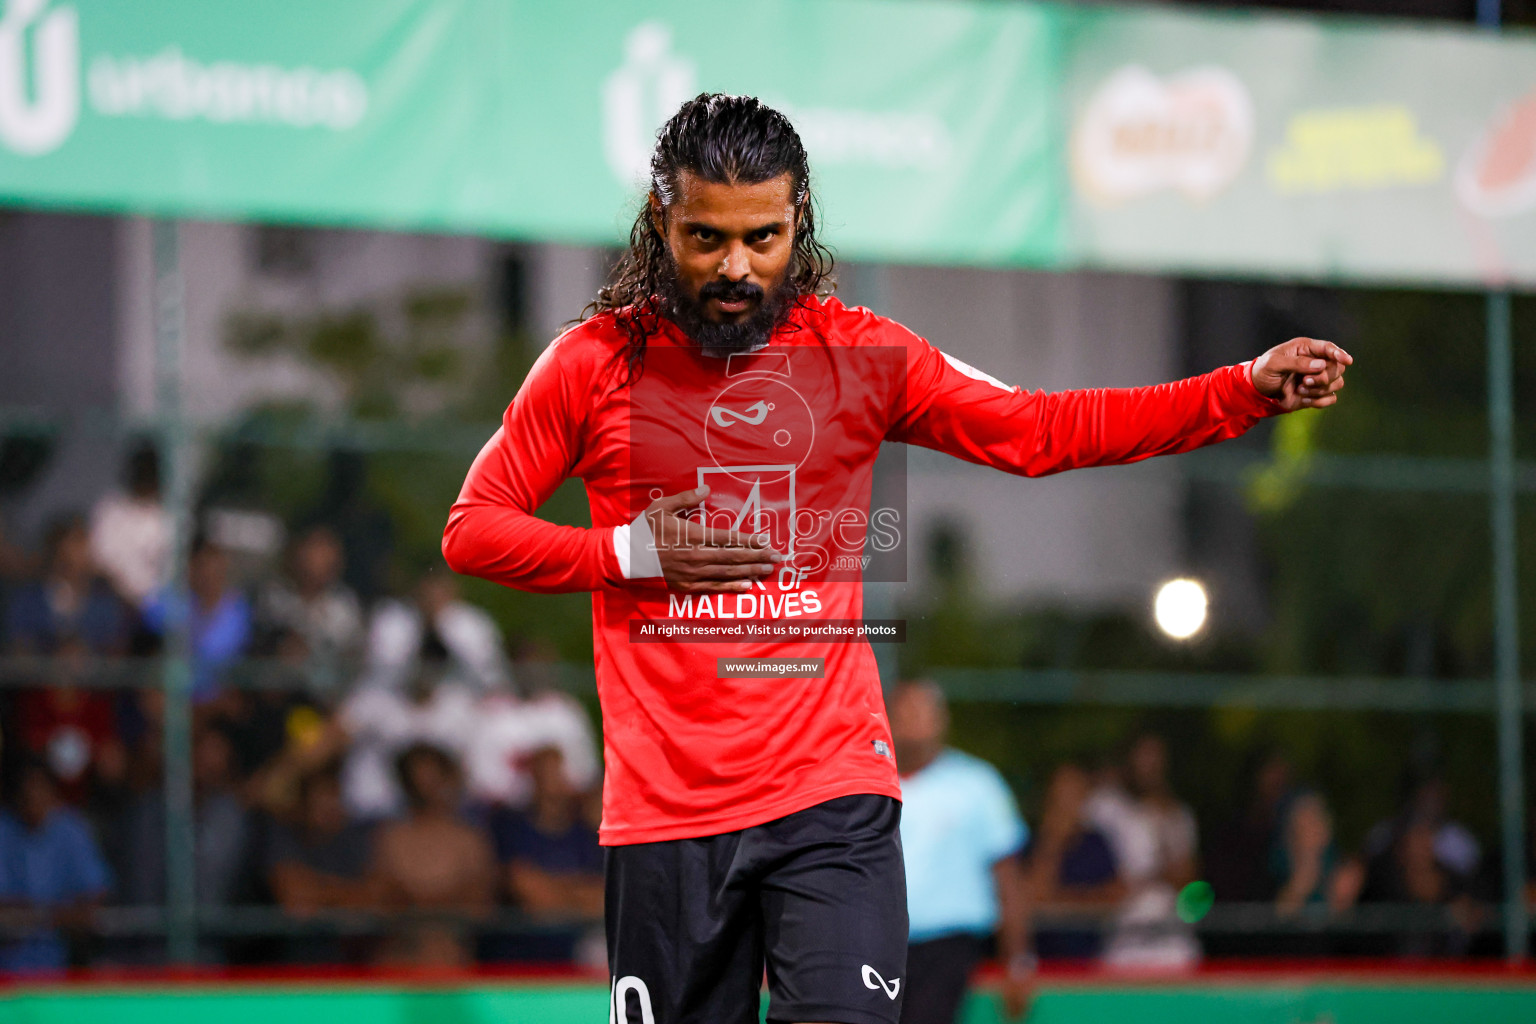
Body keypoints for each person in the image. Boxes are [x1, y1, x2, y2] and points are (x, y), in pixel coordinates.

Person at [441, 93, 1352, 1023]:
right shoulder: (592, 365)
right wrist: (631, 552)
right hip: (667, 818)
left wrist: (1237, 391)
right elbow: (473, 527)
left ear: (801, 221)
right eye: (704, 237)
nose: (736, 266)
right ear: (659, 223)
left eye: (763, 236)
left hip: (830, 800)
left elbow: (1039, 431)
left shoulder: (862, 354)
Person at [889, 681, 1031, 1024]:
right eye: (905, 713)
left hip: (949, 944)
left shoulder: (977, 783)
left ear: (942, 719)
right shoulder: (868, 785)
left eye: (923, 712)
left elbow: (1007, 876)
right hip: (879, 942)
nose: (914, 722)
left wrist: (1018, 960)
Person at [369, 743, 495, 967]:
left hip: (453, 960)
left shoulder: (469, 839)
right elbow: (379, 898)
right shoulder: (390, 838)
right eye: (417, 781)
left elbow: (480, 902)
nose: (425, 789)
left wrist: (424, 903)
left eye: (433, 780)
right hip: (400, 961)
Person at [1087, 734, 1201, 969]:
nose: (1150, 765)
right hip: (1123, 943)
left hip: (1173, 942)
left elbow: (1192, 885)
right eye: (1144, 756)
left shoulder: (1179, 814)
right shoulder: (1106, 807)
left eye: (1156, 757)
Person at [487, 745, 604, 964]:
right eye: (546, 771)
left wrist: (554, 889)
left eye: (558, 770)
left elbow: (601, 897)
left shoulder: (587, 833)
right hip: (521, 954)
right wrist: (577, 893)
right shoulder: (510, 826)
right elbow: (529, 891)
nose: (553, 779)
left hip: (580, 952)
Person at [0, 759, 111, 972]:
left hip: (62, 966)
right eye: (27, 791)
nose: (33, 797)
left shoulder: (71, 829)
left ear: (53, 793)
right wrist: (54, 915)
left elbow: (94, 895)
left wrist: (40, 917)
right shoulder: (4, 829)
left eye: (40, 789)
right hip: (8, 968)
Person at [1025, 763, 1124, 963]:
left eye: (1074, 793)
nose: (1067, 801)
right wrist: (1052, 843)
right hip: (1043, 957)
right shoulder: (1033, 842)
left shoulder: (1096, 842)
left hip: (1091, 957)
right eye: (1061, 793)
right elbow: (1031, 897)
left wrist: (1063, 902)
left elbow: (1116, 895)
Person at [140, 538, 253, 704]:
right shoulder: (169, 602)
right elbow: (148, 645)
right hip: (172, 700)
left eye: (213, 567)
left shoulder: (239, 609)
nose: (207, 574)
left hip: (220, 703)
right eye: (201, 565)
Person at [254, 525, 364, 690]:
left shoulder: (344, 607)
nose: (319, 560)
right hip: (274, 689)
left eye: (326, 553)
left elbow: (350, 657)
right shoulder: (275, 597)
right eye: (314, 551)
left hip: (321, 694)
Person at [4, 516, 128, 656]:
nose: (80, 554)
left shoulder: (104, 603)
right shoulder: (28, 600)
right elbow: (18, 650)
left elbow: (115, 655)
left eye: (83, 545)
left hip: (94, 676)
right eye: (73, 544)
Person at [89, 442, 170, 609]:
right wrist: (127, 600)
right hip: (115, 604)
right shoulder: (111, 509)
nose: (148, 480)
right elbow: (99, 565)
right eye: (143, 472)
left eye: (151, 473)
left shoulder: (170, 515)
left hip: (158, 607)